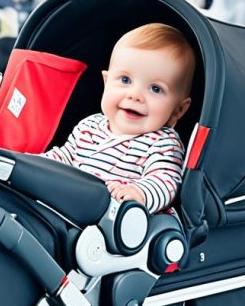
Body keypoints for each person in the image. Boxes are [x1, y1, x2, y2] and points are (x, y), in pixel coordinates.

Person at [42, 23, 192, 213]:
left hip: (112, 219)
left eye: (155, 88)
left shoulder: (163, 143)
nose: (135, 95)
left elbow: (165, 181)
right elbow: (63, 158)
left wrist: (140, 194)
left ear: (178, 110)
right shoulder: (89, 126)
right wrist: (32, 165)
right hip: (67, 205)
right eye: (125, 80)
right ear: (106, 83)